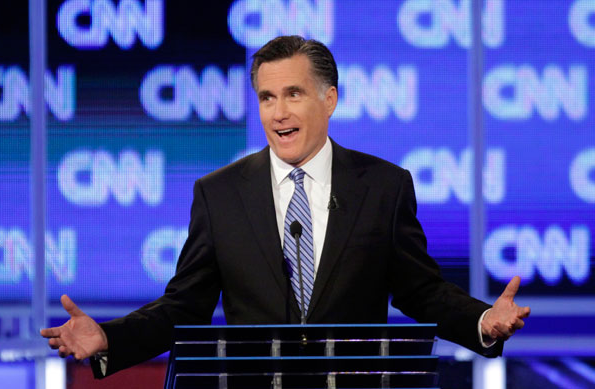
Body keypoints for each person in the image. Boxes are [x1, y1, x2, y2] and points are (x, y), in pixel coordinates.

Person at [41, 35, 530, 378]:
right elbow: (184, 307)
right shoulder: (220, 194)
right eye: (266, 97)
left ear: (330, 98)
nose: (278, 113)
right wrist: (109, 338)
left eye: (293, 94)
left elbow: (420, 292)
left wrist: (482, 321)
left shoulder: (383, 186)